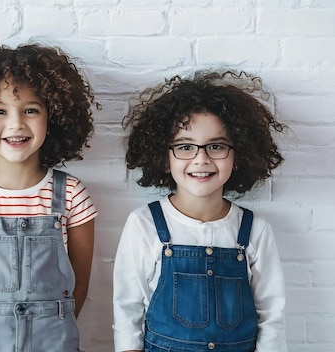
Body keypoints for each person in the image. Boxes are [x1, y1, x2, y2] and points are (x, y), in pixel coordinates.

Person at [0, 43, 98, 351]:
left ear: (54, 115)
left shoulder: (72, 195)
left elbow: (78, 285)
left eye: (31, 110)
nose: (16, 124)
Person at [113, 70, 288, 352]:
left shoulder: (255, 230)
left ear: (238, 154)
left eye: (216, 146)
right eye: (185, 146)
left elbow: (272, 316)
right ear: (164, 156)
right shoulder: (144, 223)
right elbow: (127, 309)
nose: (201, 159)